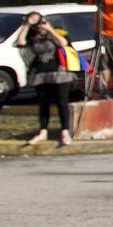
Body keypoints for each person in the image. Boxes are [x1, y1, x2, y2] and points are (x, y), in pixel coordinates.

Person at [17, 12, 75, 146]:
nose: (39, 26)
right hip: (40, 74)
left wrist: (50, 29)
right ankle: (43, 132)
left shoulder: (58, 32)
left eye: (40, 21)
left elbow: (63, 43)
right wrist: (26, 25)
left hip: (60, 74)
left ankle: (65, 132)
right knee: (44, 104)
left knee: (62, 103)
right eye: (36, 24)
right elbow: (21, 43)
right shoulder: (33, 36)